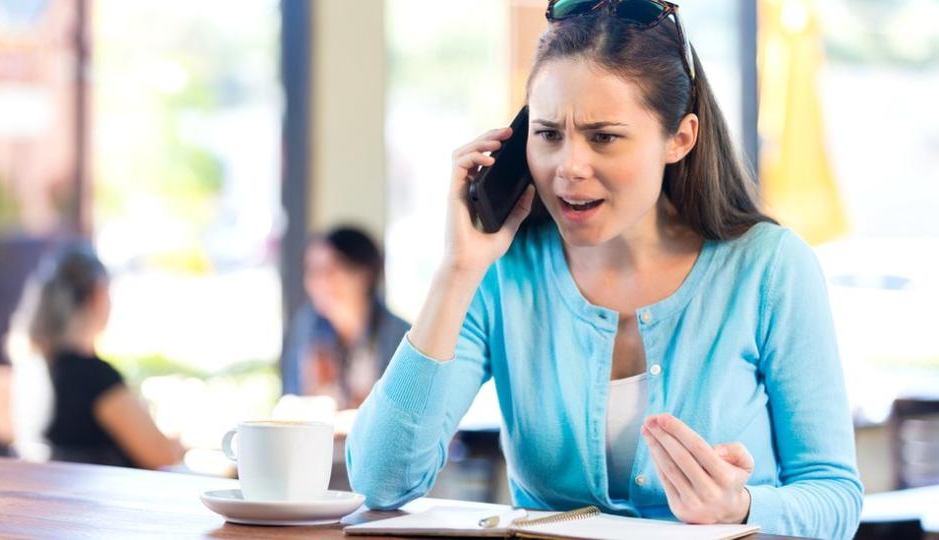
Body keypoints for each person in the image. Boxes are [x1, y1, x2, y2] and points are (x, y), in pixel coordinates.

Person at [346, 1, 862, 538]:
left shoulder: (770, 269)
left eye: (604, 137)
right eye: (548, 134)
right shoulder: (502, 272)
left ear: (679, 139)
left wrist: (743, 507)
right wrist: (456, 271)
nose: (568, 166)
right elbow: (381, 482)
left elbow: (835, 497)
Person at [27, 243, 183, 469]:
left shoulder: (38, 367)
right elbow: (162, 456)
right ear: (98, 293)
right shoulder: (95, 378)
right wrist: (179, 442)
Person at [280, 226, 409, 409]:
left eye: (330, 270)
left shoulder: (400, 336)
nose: (320, 282)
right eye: (312, 271)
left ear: (364, 273)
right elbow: (292, 398)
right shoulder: (307, 326)